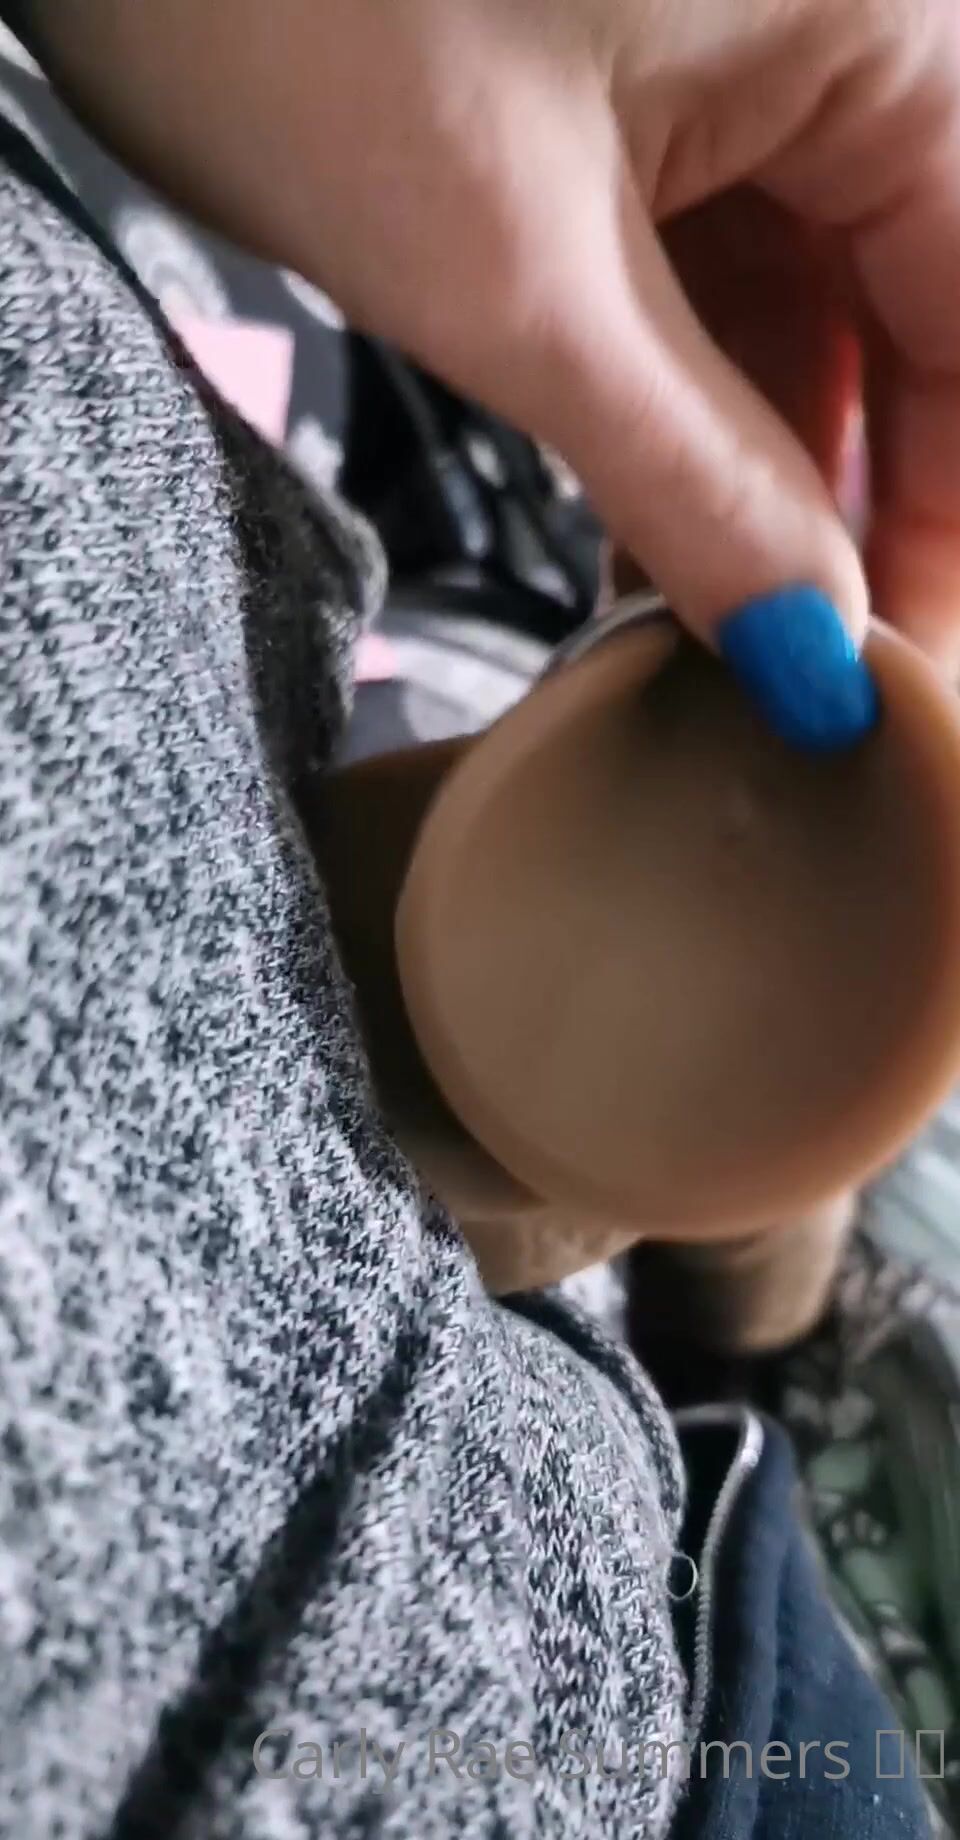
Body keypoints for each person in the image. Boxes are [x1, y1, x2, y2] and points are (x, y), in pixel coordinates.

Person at [0, 3, 956, 1836]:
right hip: (634, 1683)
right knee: (743, 1212)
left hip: (395, 666)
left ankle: (747, 1218)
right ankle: (751, 1236)